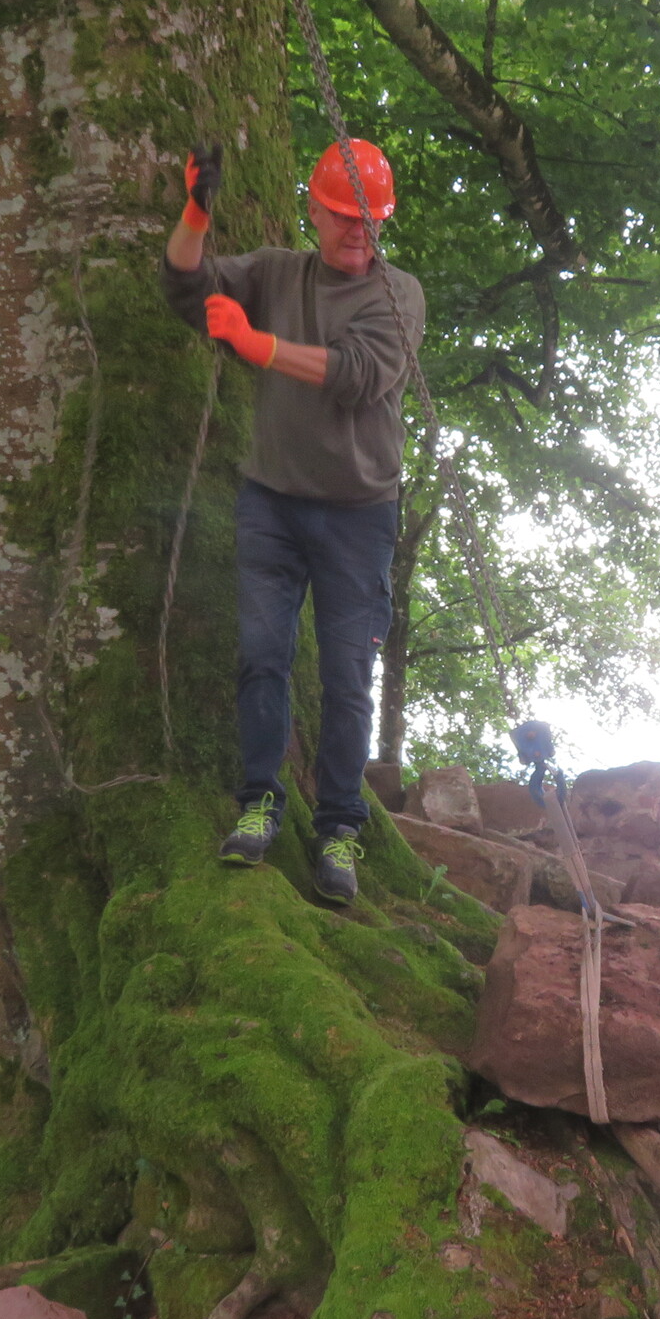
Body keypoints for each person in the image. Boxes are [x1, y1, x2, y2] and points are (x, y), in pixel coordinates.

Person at [160, 140, 426, 904]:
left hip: (359, 514)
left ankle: (339, 828)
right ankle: (259, 803)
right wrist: (195, 214)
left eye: (370, 218)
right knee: (260, 654)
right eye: (343, 216)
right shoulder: (276, 273)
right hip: (271, 501)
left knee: (347, 677)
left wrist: (258, 345)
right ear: (314, 210)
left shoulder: (398, 294)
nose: (357, 231)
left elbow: (359, 374)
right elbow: (186, 287)